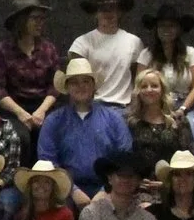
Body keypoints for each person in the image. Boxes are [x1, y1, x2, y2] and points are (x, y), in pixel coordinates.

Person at [35, 58, 132, 202]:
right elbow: (47, 160)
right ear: (67, 88)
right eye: (74, 82)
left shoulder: (114, 119)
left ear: (94, 86)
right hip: (64, 190)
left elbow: (125, 156)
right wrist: (72, 191)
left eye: (86, 81)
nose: (81, 86)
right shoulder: (53, 121)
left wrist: (105, 189)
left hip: (110, 189)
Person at [0, 0, 59, 138]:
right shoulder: (2, 50)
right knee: (20, 137)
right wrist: (21, 113)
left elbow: (55, 86)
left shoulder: (48, 49)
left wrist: (41, 111)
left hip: (43, 106)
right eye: (35, 18)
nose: (40, 23)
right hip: (13, 108)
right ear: (21, 21)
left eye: (42, 18)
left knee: (48, 134)